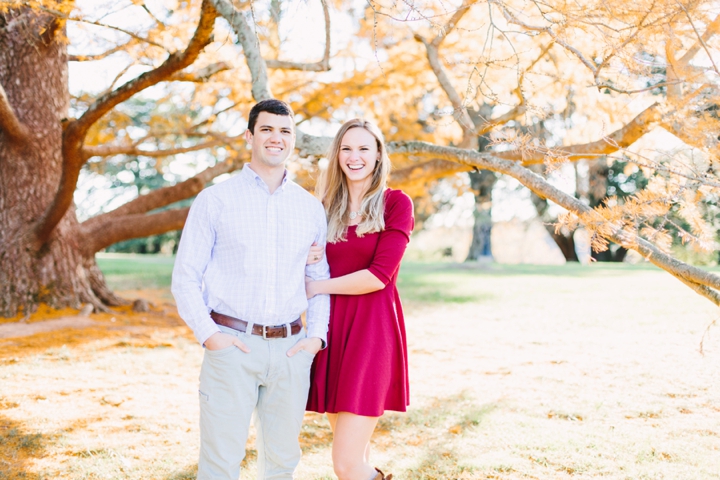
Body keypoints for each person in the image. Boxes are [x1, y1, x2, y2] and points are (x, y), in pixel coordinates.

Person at [171, 99, 330, 480]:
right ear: (250, 136)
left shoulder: (309, 208)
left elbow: (318, 281)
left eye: (285, 131)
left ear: (293, 140)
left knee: (281, 463)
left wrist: (315, 339)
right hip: (232, 344)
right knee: (220, 464)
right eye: (267, 129)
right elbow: (185, 277)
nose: (277, 138)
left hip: (291, 349)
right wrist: (211, 337)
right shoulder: (215, 200)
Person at [305, 118, 414, 480]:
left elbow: (378, 277)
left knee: (346, 465)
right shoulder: (322, 209)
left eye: (364, 148)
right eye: (347, 148)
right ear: (336, 155)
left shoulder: (395, 204)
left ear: (379, 154)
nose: (355, 156)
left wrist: (316, 288)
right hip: (331, 335)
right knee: (357, 457)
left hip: (371, 334)